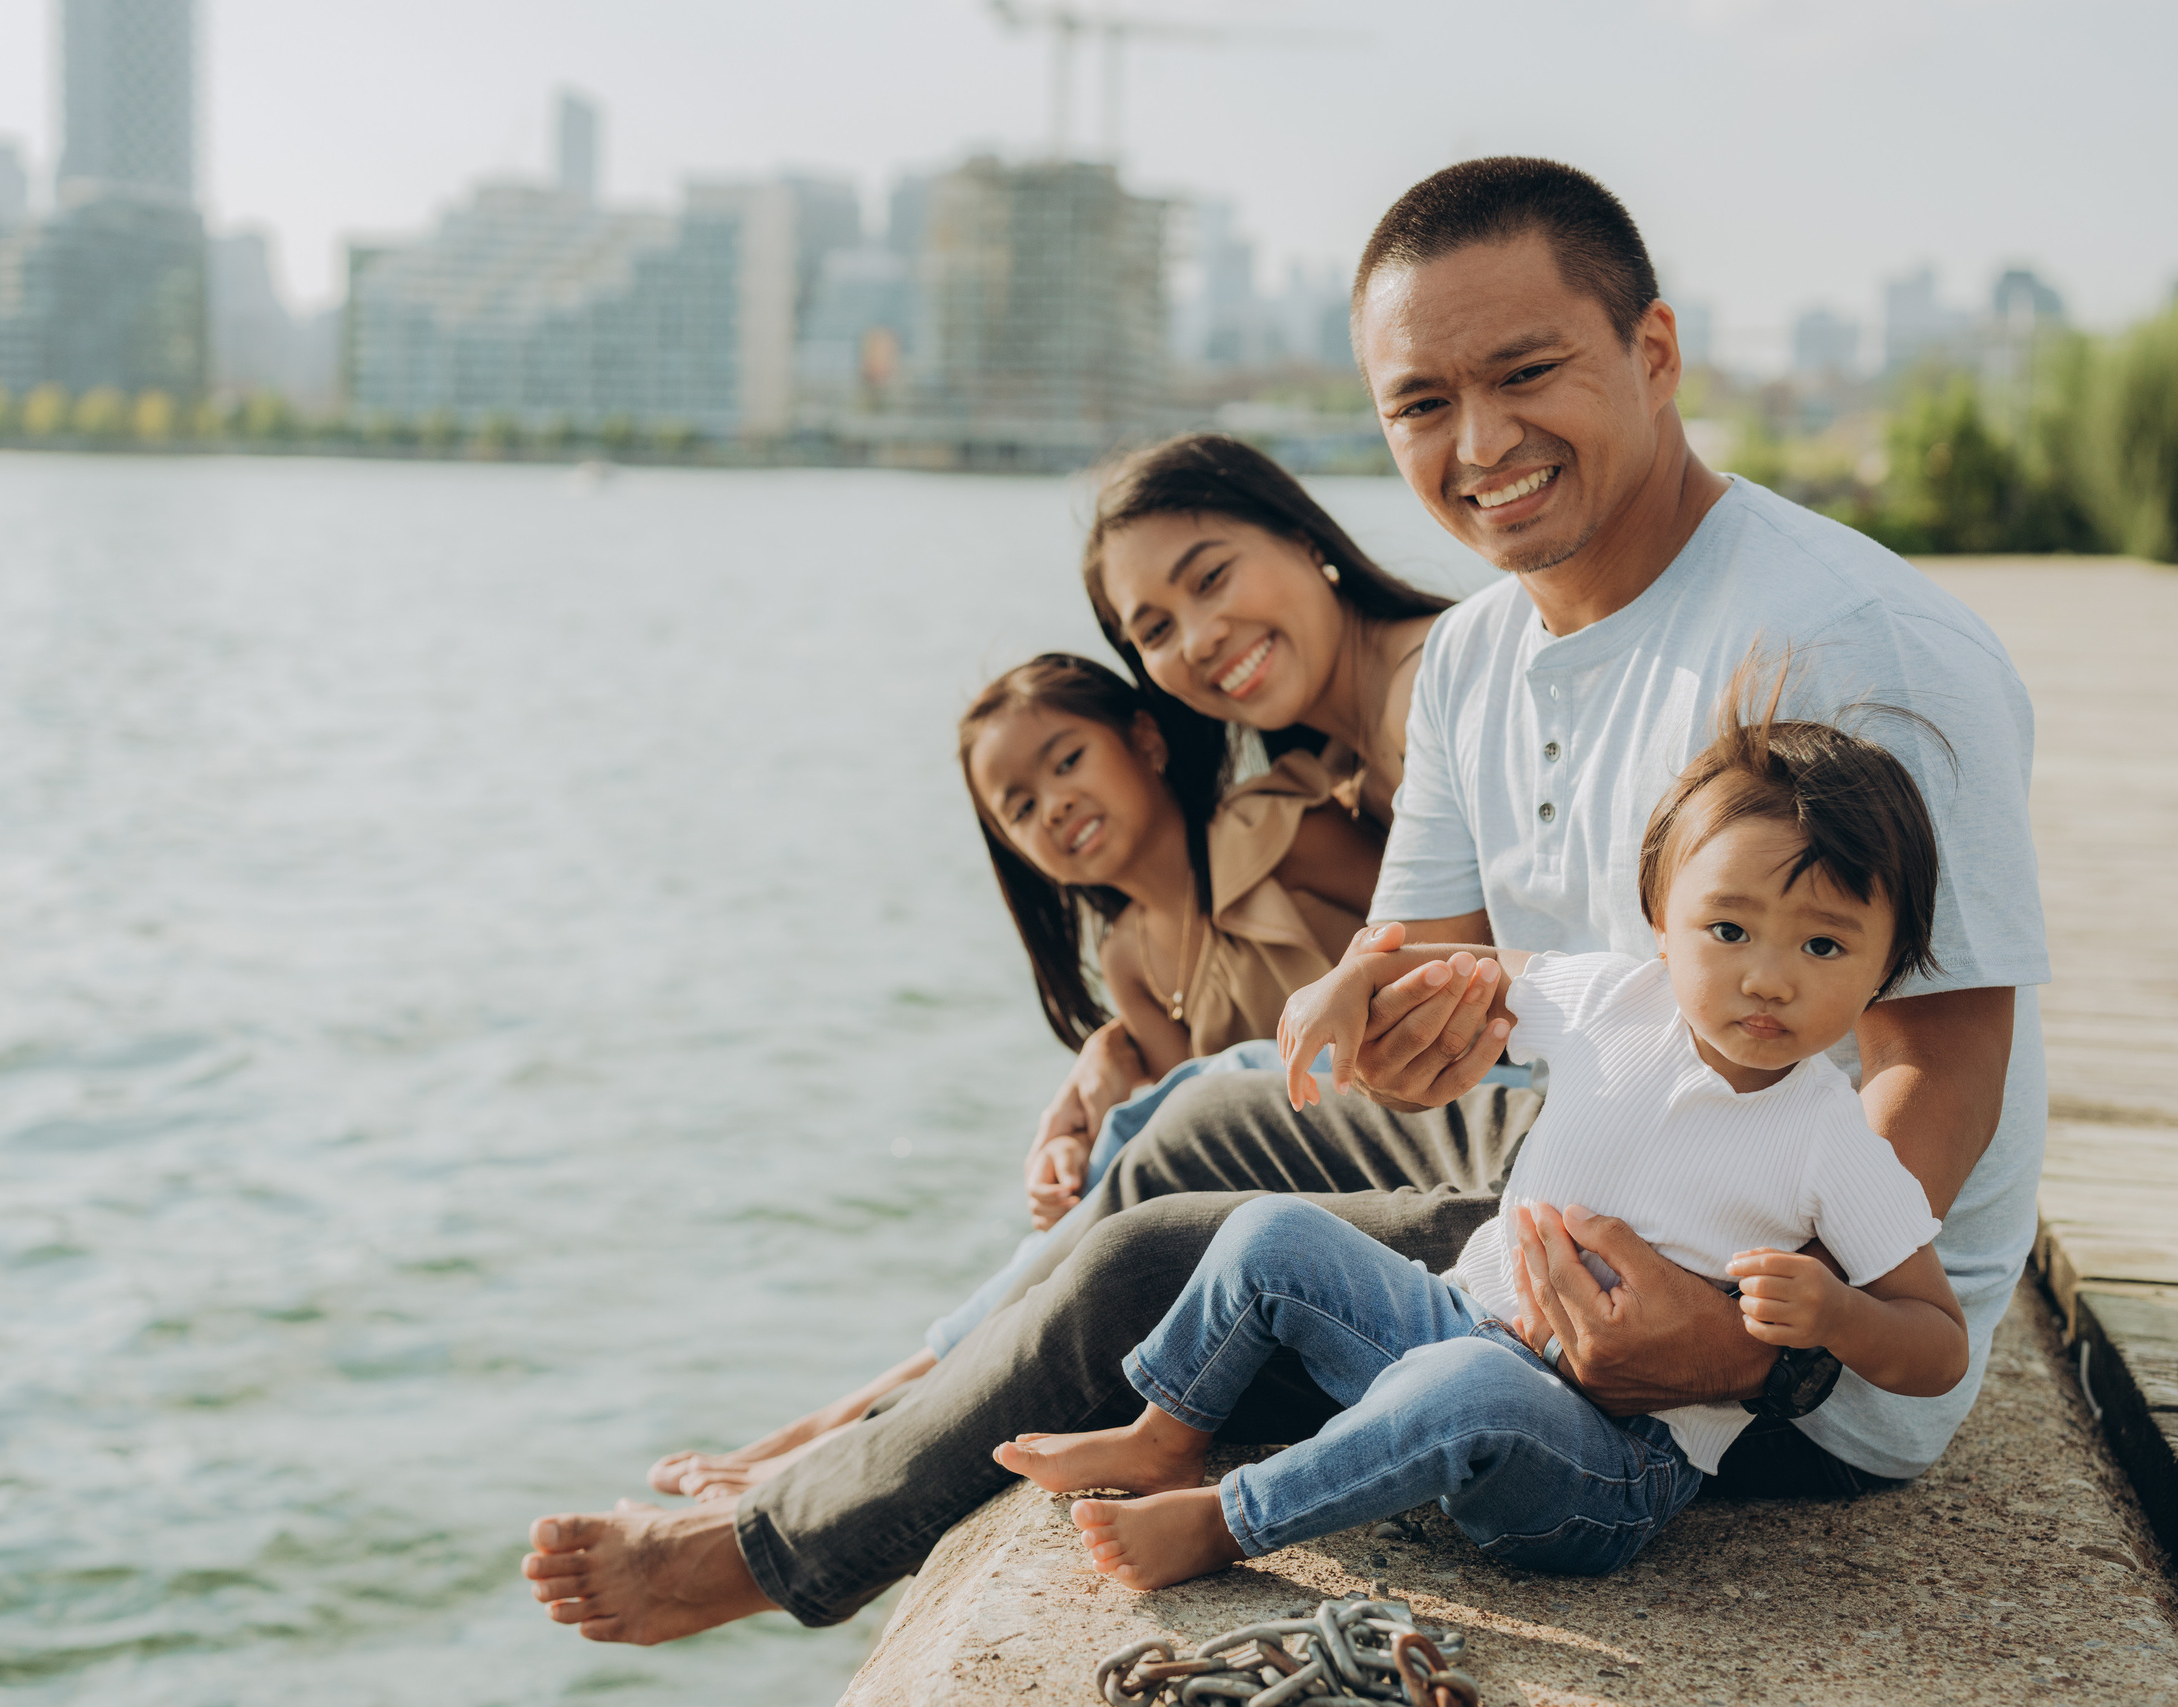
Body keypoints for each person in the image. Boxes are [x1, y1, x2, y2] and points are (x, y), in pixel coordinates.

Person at [524, 156, 2045, 1646]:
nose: (1481, 441)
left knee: (1158, 1257)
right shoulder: (1475, 654)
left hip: (1773, 1339)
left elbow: (1940, 1058)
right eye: (1421, 404)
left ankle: (761, 1552)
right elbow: (1421, 963)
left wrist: (1742, 1345)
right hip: (1593, 1166)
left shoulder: (1855, 644)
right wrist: (1361, 1011)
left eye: (1528, 371)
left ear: (1654, 352)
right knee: (1194, 1114)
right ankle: (871, 1408)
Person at [995, 670, 1970, 1587]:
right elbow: (1456, 966)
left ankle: (1227, 1522)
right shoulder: (1608, 998)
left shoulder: (1829, 1138)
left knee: (1468, 1387)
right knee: (1270, 1231)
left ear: (1885, 969)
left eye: (1823, 943)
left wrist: (1840, 1317)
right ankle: (1166, 1434)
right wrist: (1354, 982)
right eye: (1728, 929)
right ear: (1661, 920)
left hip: (1613, 1464)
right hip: (1465, 1323)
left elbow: (1935, 1345)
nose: (1767, 975)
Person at [647, 442, 1454, 1502]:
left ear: (1144, 743)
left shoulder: (1280, 822)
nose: (1055, 806)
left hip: (1416, 1123)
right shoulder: (1127, 964)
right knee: (1130, 1165)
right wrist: (1101, 1072)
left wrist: (1114, 1097)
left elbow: (1420, 936)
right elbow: (1180, 1161)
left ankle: (857, 1421)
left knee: (1154, 1126)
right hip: (1310, 1183)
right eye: (1018, 809)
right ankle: (877, 1409)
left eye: (1067, 763)